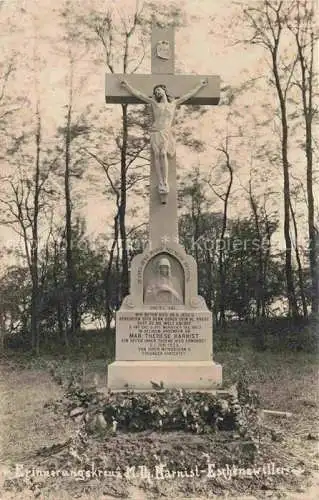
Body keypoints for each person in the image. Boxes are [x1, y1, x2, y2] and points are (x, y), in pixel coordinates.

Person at [120, 78, 208, 195]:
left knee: (163, 154)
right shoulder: (154, 103)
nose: (157, 92)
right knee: (157, 154)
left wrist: (200, 86)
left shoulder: (173, 103)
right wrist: (127, 86)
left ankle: (165, 181)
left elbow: (188, 95)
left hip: (166, 132)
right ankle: (160, 181)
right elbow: (139, 95)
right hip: (156, 131)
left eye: (159, 90)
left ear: (164, 91)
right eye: (156, 91)